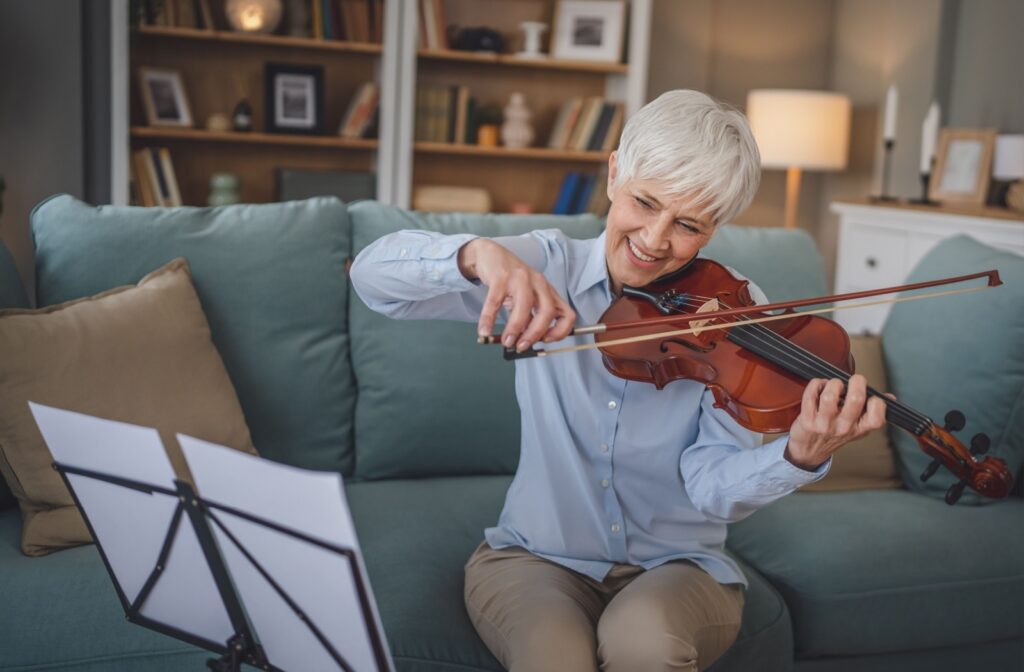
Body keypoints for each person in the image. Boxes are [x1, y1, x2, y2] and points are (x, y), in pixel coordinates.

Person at [349, 89, 886, 672]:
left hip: (678, 566)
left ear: (715, 228)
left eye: (687, 224)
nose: (655, 240)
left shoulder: (734, 312)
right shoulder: (542, 265)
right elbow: (374, 279)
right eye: (644, 202)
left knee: (645, 647)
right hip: (534, 556)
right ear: (613, 174)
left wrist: (797, 457)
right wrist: (478, 255)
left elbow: (709, 486)